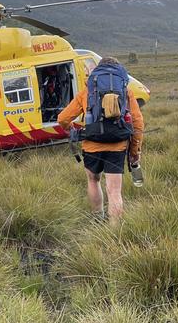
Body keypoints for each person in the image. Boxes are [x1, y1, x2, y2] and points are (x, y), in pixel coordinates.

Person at [57, 56, 144, 225]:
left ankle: (97, 219)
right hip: (118, 146)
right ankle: (115, 231)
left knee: (93, 180)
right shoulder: (126, 92)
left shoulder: (87, 91)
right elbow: (138, 123)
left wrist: (75, 130)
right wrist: (135, 152)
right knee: (114, 191)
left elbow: (62, 118)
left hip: (91, 146)